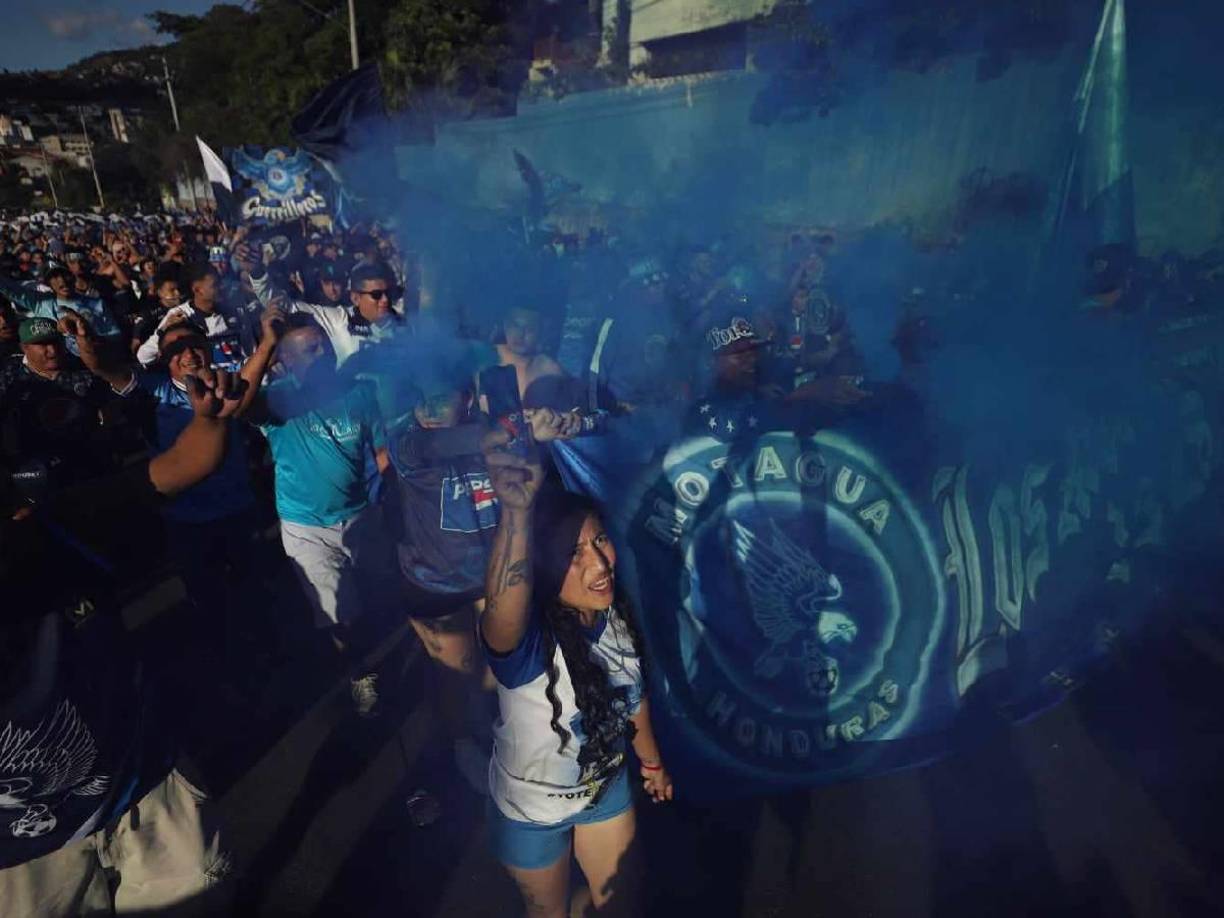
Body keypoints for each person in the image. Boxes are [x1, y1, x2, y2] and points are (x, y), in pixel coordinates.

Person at [0, 363, 243, 917]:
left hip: (140, 782)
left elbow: (184, 464)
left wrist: (210, 420)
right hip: (21, 854)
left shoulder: (56, 527)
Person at [479, 430, 673, 917]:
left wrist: (651, 764)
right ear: (544, 567)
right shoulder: (526, 648)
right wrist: (517, 515)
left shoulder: (615, 616)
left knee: (624, 904)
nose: (599, 562)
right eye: (573, 553)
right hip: (531, 814)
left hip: (603, 790)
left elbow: (635, 700)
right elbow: (502, 610)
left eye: (600, 539)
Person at [386, 357, 581, 793]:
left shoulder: (493, 427)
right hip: (435, 584)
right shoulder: (406, 437)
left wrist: (551, 427)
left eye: (443, 398)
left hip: (490, 574)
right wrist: (519, 428)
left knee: (495, 670)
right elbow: (441, 445)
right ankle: (458, 748)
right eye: (425, 398)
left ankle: (496, 738)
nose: (429, 409)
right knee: (459, 673)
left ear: (468, 397)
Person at [245, 314, 390, 715]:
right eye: (310, 349)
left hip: (361, 515)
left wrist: (390, 496)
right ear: (286, 361)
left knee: (376, 595)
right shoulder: (276, 400)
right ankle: (359, 673)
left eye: (324, 343)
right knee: (339, 614)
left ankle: (378, 649)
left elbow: (379, 451)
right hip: (307, 528)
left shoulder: (360, 392)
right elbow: (236, 401)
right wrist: (265, 345)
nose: (324, 353)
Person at [136, 263, 248, 369]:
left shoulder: (236, 309)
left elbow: (250, 349)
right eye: (215, 285)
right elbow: (143, 357)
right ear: (197, 290)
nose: (221, 287)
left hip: (242, 377)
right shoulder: (179, 315)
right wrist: (164, 331)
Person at [495, 303, 566, 404]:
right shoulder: (484, 360)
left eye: (530, 329)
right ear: (505, 325)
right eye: (516, 326)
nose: (520, 334)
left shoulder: (550, 370)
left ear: (540, 331)